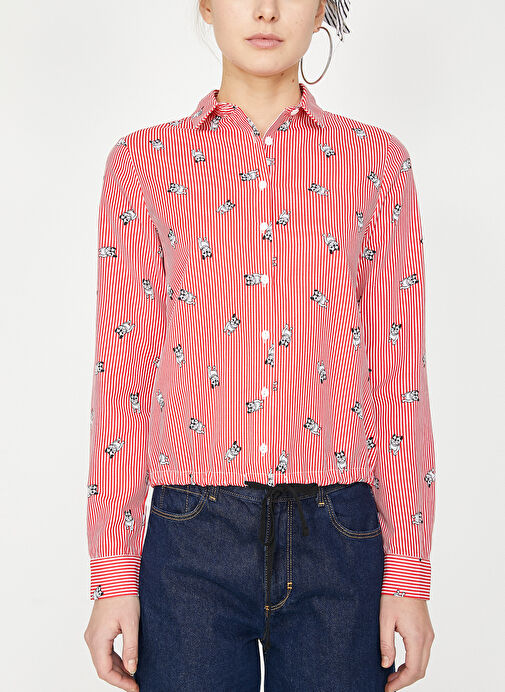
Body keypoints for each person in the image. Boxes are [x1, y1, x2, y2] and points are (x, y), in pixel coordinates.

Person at [83, 1, 436, 690]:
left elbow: (399, 376)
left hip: (340, 536)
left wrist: (408, 573)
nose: (267, 10)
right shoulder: (142, 164)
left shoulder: (376, 162)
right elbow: (124, 375)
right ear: (207, 4)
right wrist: (112, 574)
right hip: (191, 540)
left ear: (322, 6)